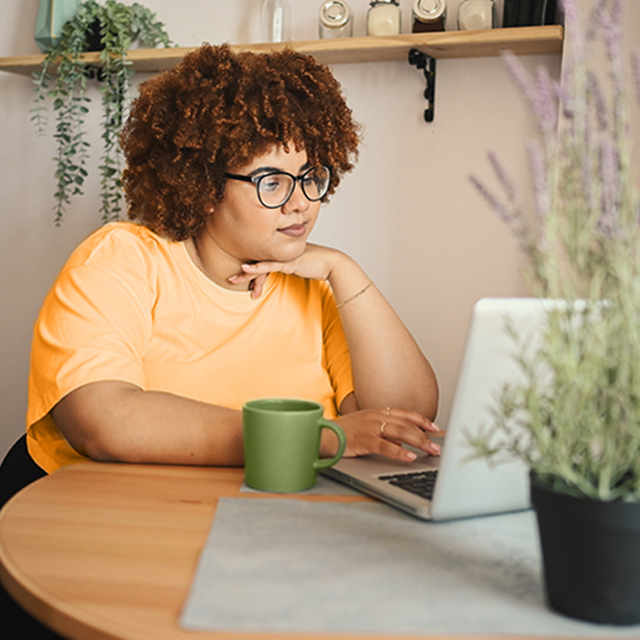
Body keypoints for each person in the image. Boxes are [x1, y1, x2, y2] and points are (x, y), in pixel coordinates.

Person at [16, 42, 441, 484]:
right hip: (107, 521)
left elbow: (403, 422)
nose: (300, 204)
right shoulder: (120, 261)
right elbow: (103, 419)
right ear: (202, 184)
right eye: (270, 182)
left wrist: (344, 270)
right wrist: (316, 436)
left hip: (265, 524)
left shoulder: (320, 288)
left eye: (311, 176)